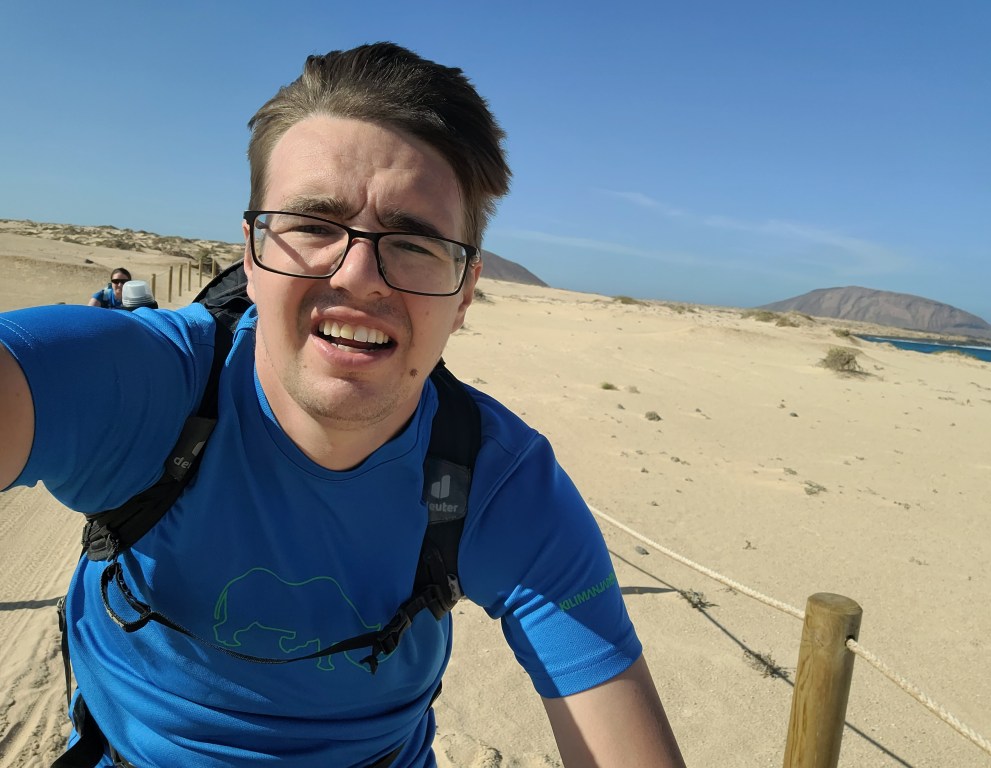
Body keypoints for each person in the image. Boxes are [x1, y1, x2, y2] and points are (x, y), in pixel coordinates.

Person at [0, 43, 687, 767]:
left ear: (464, 293)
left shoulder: (499, 486)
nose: (358, 275)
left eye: (414, 241)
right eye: (313, 225)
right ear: (252, 255)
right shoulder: (147, 386)